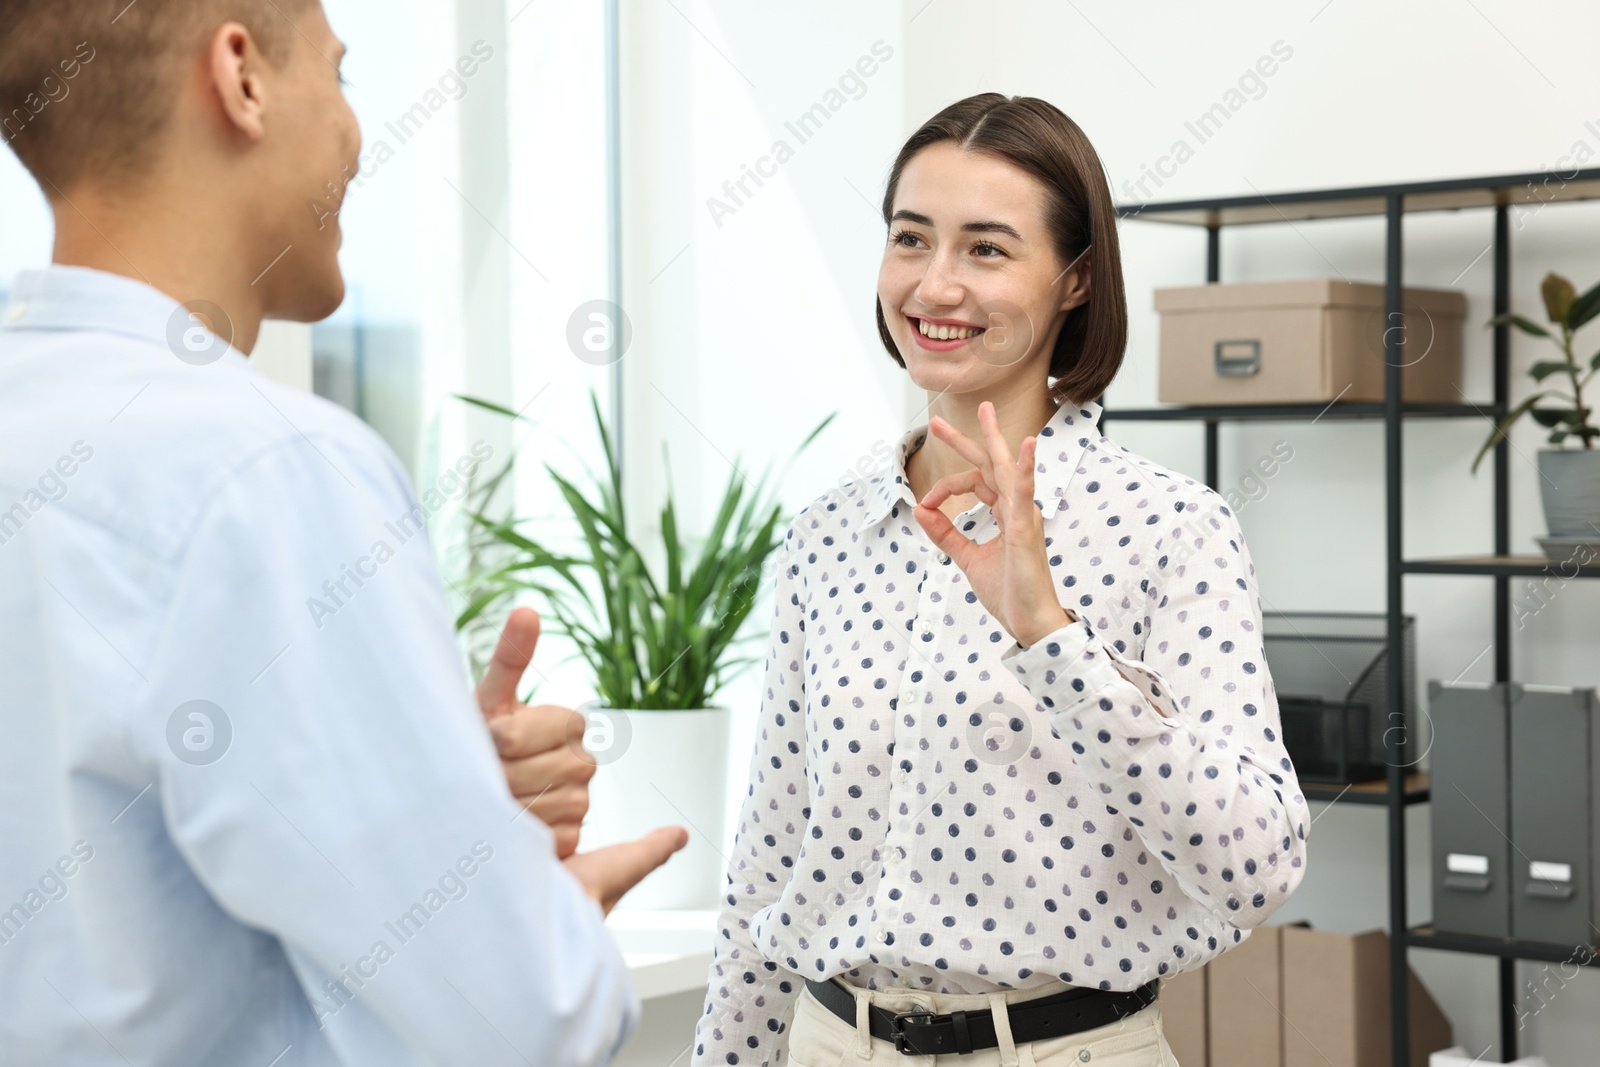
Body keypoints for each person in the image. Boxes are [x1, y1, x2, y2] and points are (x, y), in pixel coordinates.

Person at [0, 3, 685, 1064]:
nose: (360, 139)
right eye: (342, 73)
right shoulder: (270, 466)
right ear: (241, 78)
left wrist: (431, 792)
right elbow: (514, 1019)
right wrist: (536, 910)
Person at [692, 94, 1310, 1067]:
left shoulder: (1168, 528)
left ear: (1073, 280)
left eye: (986, 249)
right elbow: (767, 861)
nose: (934, 285)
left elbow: (1255, 865)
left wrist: (1050, 637)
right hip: (826, 1043)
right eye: (910, 238)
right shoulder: (826, 536)